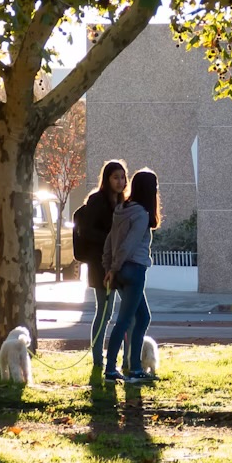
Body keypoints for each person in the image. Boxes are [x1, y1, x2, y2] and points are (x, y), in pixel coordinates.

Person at [101, 168, 158, 383]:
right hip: (134, 270)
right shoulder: (141, 215)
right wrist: (113, 268)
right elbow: (128, 245)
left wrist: (109, 267)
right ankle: (117, 368)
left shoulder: (122, 209)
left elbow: (110, 242)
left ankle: (133, 366)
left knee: (142, 317)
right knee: (125, 321)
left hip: (122, 271)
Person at [74, 159, 127, 378]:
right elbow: (86, 231)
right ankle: (98, 358)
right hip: (99, 263)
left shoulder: (123, 201)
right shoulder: (97, 200)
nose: (121, 182)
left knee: (114, 312)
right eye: (116, 177)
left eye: (123, 177)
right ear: (106, 179)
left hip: (117, 263)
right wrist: (110, 240)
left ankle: (121, 358)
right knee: (103, 312)